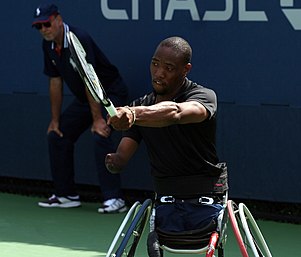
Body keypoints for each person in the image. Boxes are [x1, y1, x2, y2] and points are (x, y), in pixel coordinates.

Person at [105, 36, 228, 256]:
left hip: (207, 202)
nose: (159, 73)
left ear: (185, 69)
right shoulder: (140, 105)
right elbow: (122, 157)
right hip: (165, 204)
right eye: (155, 64)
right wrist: (115, 162)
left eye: (169, 68)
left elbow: (175, 113)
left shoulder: (204, 97)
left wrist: (133, 114)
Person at [32, 3, 128, 213]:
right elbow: (55, 82)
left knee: (100, 134)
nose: (44, 30)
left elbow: (89, 80)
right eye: (39, 27)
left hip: (110, 94)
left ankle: (115, 199)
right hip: (87, 99)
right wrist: (55, 120)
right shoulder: (48, 46)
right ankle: (66, 194)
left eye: (47, 24)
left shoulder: (78, 38)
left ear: (58, 19)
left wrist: (97, 119)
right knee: (57, 135)